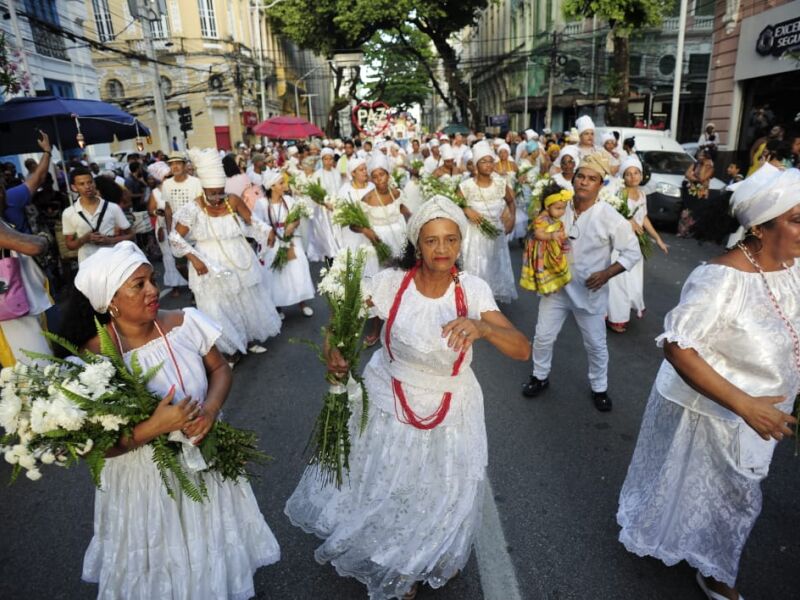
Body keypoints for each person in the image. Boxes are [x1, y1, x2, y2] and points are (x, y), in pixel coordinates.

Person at [285, 196, 530, 600]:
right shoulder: (390, 283)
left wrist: (483, 329)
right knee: (390, 483)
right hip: (388, 397)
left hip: (450, 403)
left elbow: (521, 348)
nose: (442, 250)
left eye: (451, 240)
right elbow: (343, 317)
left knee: (440, 488)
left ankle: (425, 552)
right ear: (417, 243)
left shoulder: (472, 290)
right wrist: (336, 348)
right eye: (432, 241)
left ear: (459, 244)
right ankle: (397, 561)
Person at [617, 165, 800, 600]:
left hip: (764, 411)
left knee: (710, 487)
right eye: (797, 220)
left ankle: (696, 546)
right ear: (759, 226)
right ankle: (718, 573)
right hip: (715, 409)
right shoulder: (721, 278)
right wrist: (744, 404)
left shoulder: (794, 269)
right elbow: (678, 347)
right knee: (731, 495)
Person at [61, 242, 280, 599]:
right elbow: (93, 447)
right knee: (160, 550)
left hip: (203, 459)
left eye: (151, 278)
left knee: (206, 536)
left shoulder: (185, 322)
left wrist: (209, 410)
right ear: (109, 302)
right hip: (145, 481)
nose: (153, 289)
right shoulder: (94, 358)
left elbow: (220, 368)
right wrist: (154, 427)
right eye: (138, 284)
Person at [522, 153, 641, 411]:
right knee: (543, 336)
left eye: (592, 179)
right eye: (581, 177)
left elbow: (633, 253)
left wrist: (606, 274)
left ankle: (599, 388)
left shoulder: (609, 216)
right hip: (556, 287)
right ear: (573, 180)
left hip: (589, 292)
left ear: (601, 185)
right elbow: (535, 228)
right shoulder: (558, 206)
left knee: (596, 345)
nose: (584, 182)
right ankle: (539, 376)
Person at [168, 148, 281, 365]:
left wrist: (267, 231)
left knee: (243, 299)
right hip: (209, 261)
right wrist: (194, 258)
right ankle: (230, 349)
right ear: (203, 189)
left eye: (221, 191)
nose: (218, 198)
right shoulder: (193, 208)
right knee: (217, 306)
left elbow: (252, 222)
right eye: (213, 193)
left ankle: (247, 340)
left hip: (238, 255)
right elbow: (175, 238)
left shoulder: (233, 200)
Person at [606, 156, 669, 333]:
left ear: (641, 175)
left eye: (636, 173)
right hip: (620, 245)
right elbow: (612, 215)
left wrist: (658, 239)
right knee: (619, 282)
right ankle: (615, 318)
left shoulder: (642, 195)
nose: (633, 177)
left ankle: (622, 310)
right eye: (628, 174)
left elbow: (644, 217)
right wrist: (628, 221)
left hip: (635, 246)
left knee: (632, 281)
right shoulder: (620, 194)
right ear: (623, 177)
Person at [458, 142, 517, 303]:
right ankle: (475, 302)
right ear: (476, 165)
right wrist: (466, 209)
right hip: (474, 236)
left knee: (494, 267)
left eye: (491, 161)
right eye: (483, 161)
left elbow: (511, 202)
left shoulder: (500, 184)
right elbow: (455, 205)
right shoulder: (466, 186)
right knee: (477, 268)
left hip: (496, 233)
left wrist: (512, 219)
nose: (488, 165)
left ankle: (490, 305)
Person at [255, 170, 315, 319]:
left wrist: (291, 226)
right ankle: (278, 306)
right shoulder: (261, 204)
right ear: (271, 186)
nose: (285, 185)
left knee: (298, 268)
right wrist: (270, 231)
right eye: (281, 183)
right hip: (273, 242)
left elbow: (297, 218)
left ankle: (302, 302)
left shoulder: (289, 200)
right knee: (276, 273)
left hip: (292, 239)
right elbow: (257, 223)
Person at [0, 220, 52, 367]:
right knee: (38, 371)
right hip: (14, 315)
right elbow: (33, 246)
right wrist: (44, 238)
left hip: (19, 305)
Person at [62, 167, 134, 263]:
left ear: (94, 183)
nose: (87, 186)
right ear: (74, 188)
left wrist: (110, 241)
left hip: (113, 261)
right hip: (87, 263)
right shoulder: (69, 212)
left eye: (90, 182)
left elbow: (131, 235)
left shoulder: (112, 207)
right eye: (82, 184)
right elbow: (69, 245)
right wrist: (84, 239)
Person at [519, 184, 572, 296]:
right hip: (542, 251)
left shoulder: (552, 217)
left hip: (551, 247)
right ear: (547, 206)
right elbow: (538, 234)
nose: (562, 212)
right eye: (558, 208)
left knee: (554, 265)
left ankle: (555, 283)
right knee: (545, 267)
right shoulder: (541, 218)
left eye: (563, 208)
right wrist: (551, 236)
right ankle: (546, 287)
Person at [146, 162, 188, 295]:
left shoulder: (180, 188)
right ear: (161, 179)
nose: (170, 179)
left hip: (183, 225)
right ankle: (175, 285)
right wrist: (159, 213)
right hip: (164, 227)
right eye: (167, 177)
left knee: (185, 252)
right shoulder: (156, 192)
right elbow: (151, 210)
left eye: (171, 176)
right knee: (169, 256)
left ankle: (191, 282)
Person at [1, 131, 51, 234]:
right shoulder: (10, 197)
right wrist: (47, 151)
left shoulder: (11, 196)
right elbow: (39, 177)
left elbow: (39, 177)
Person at [307, 148, 340, 263]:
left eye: (330, 158)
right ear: (322, 160)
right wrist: (325, 203)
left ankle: (339, 259)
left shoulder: (337, 173)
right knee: (326, 237)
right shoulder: (317, 175)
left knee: (338, 236)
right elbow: (313, 195)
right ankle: (329, 260)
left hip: (337, 209)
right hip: (323, 212)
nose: (328, 161)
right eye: (325, 159)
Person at [677, 150, 715, 238]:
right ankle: (682, 231)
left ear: (706, 157)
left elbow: (702, 177)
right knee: (686, 210)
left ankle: (693, 232)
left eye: (701, 155)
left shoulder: (710, 167)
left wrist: (704, 165)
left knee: (697, 212)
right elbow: (687, 174)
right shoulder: (695, 163)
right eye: (699, 155)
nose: (699, 157)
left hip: (701, 193)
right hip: (692, 191)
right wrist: (695, 178)